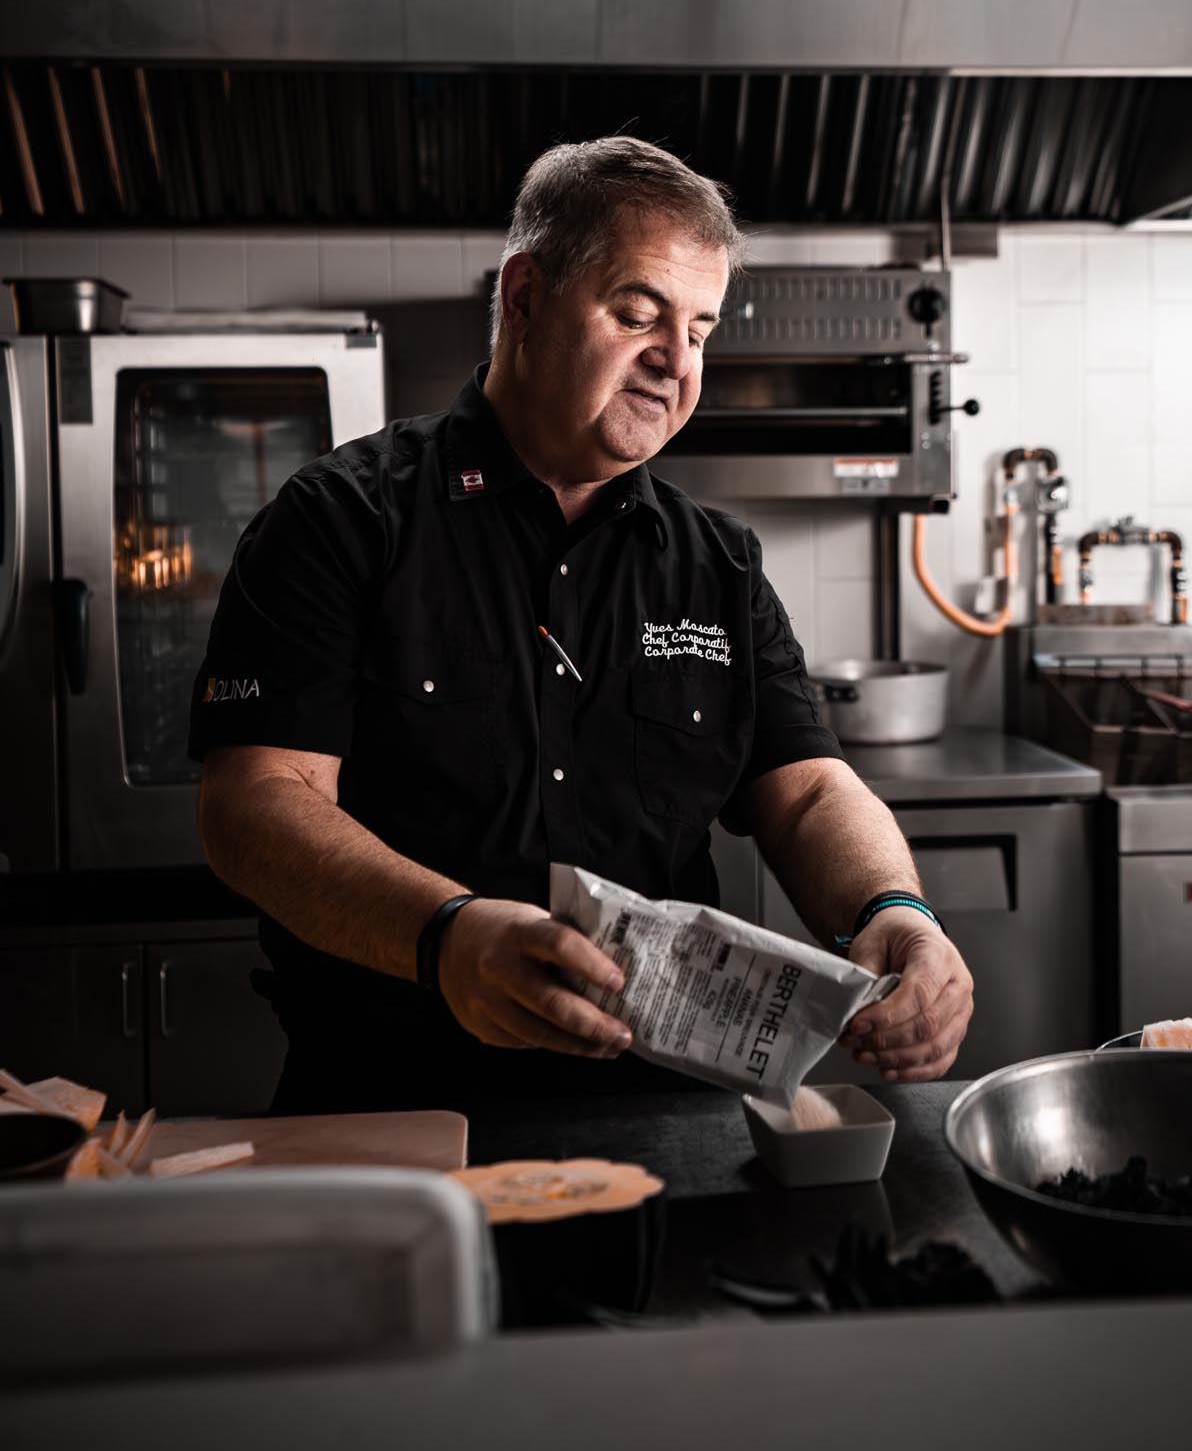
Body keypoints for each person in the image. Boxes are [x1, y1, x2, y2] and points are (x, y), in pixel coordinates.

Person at [191, 137, 973, 1113]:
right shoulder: (342, 521)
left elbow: (808, 789)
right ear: (524, 296)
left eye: (700, 328)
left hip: (668, 1124)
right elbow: (254, 803)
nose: (676, 361)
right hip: (393, 1108)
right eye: (638, 313)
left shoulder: (716, 564)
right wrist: (448, 935)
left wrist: (896, 908)